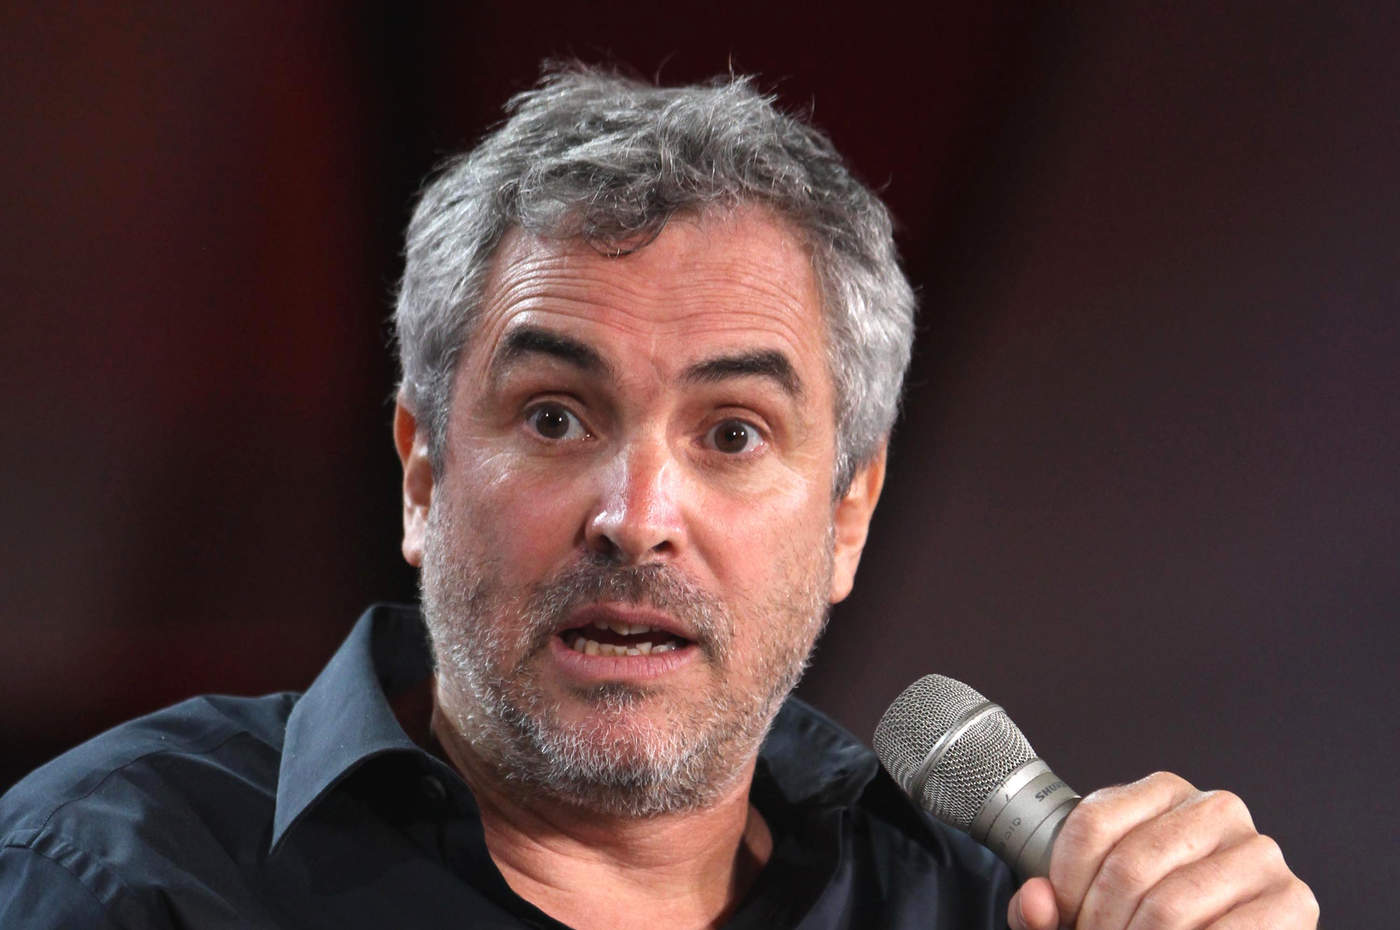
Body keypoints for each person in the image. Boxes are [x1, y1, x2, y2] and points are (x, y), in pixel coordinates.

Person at [0, 65, 1317, 930]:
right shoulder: (114, 879)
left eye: (734, 433)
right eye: (555, 417)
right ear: (422, 471)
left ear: (848, 516)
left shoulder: (968, 908)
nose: (635, 516)